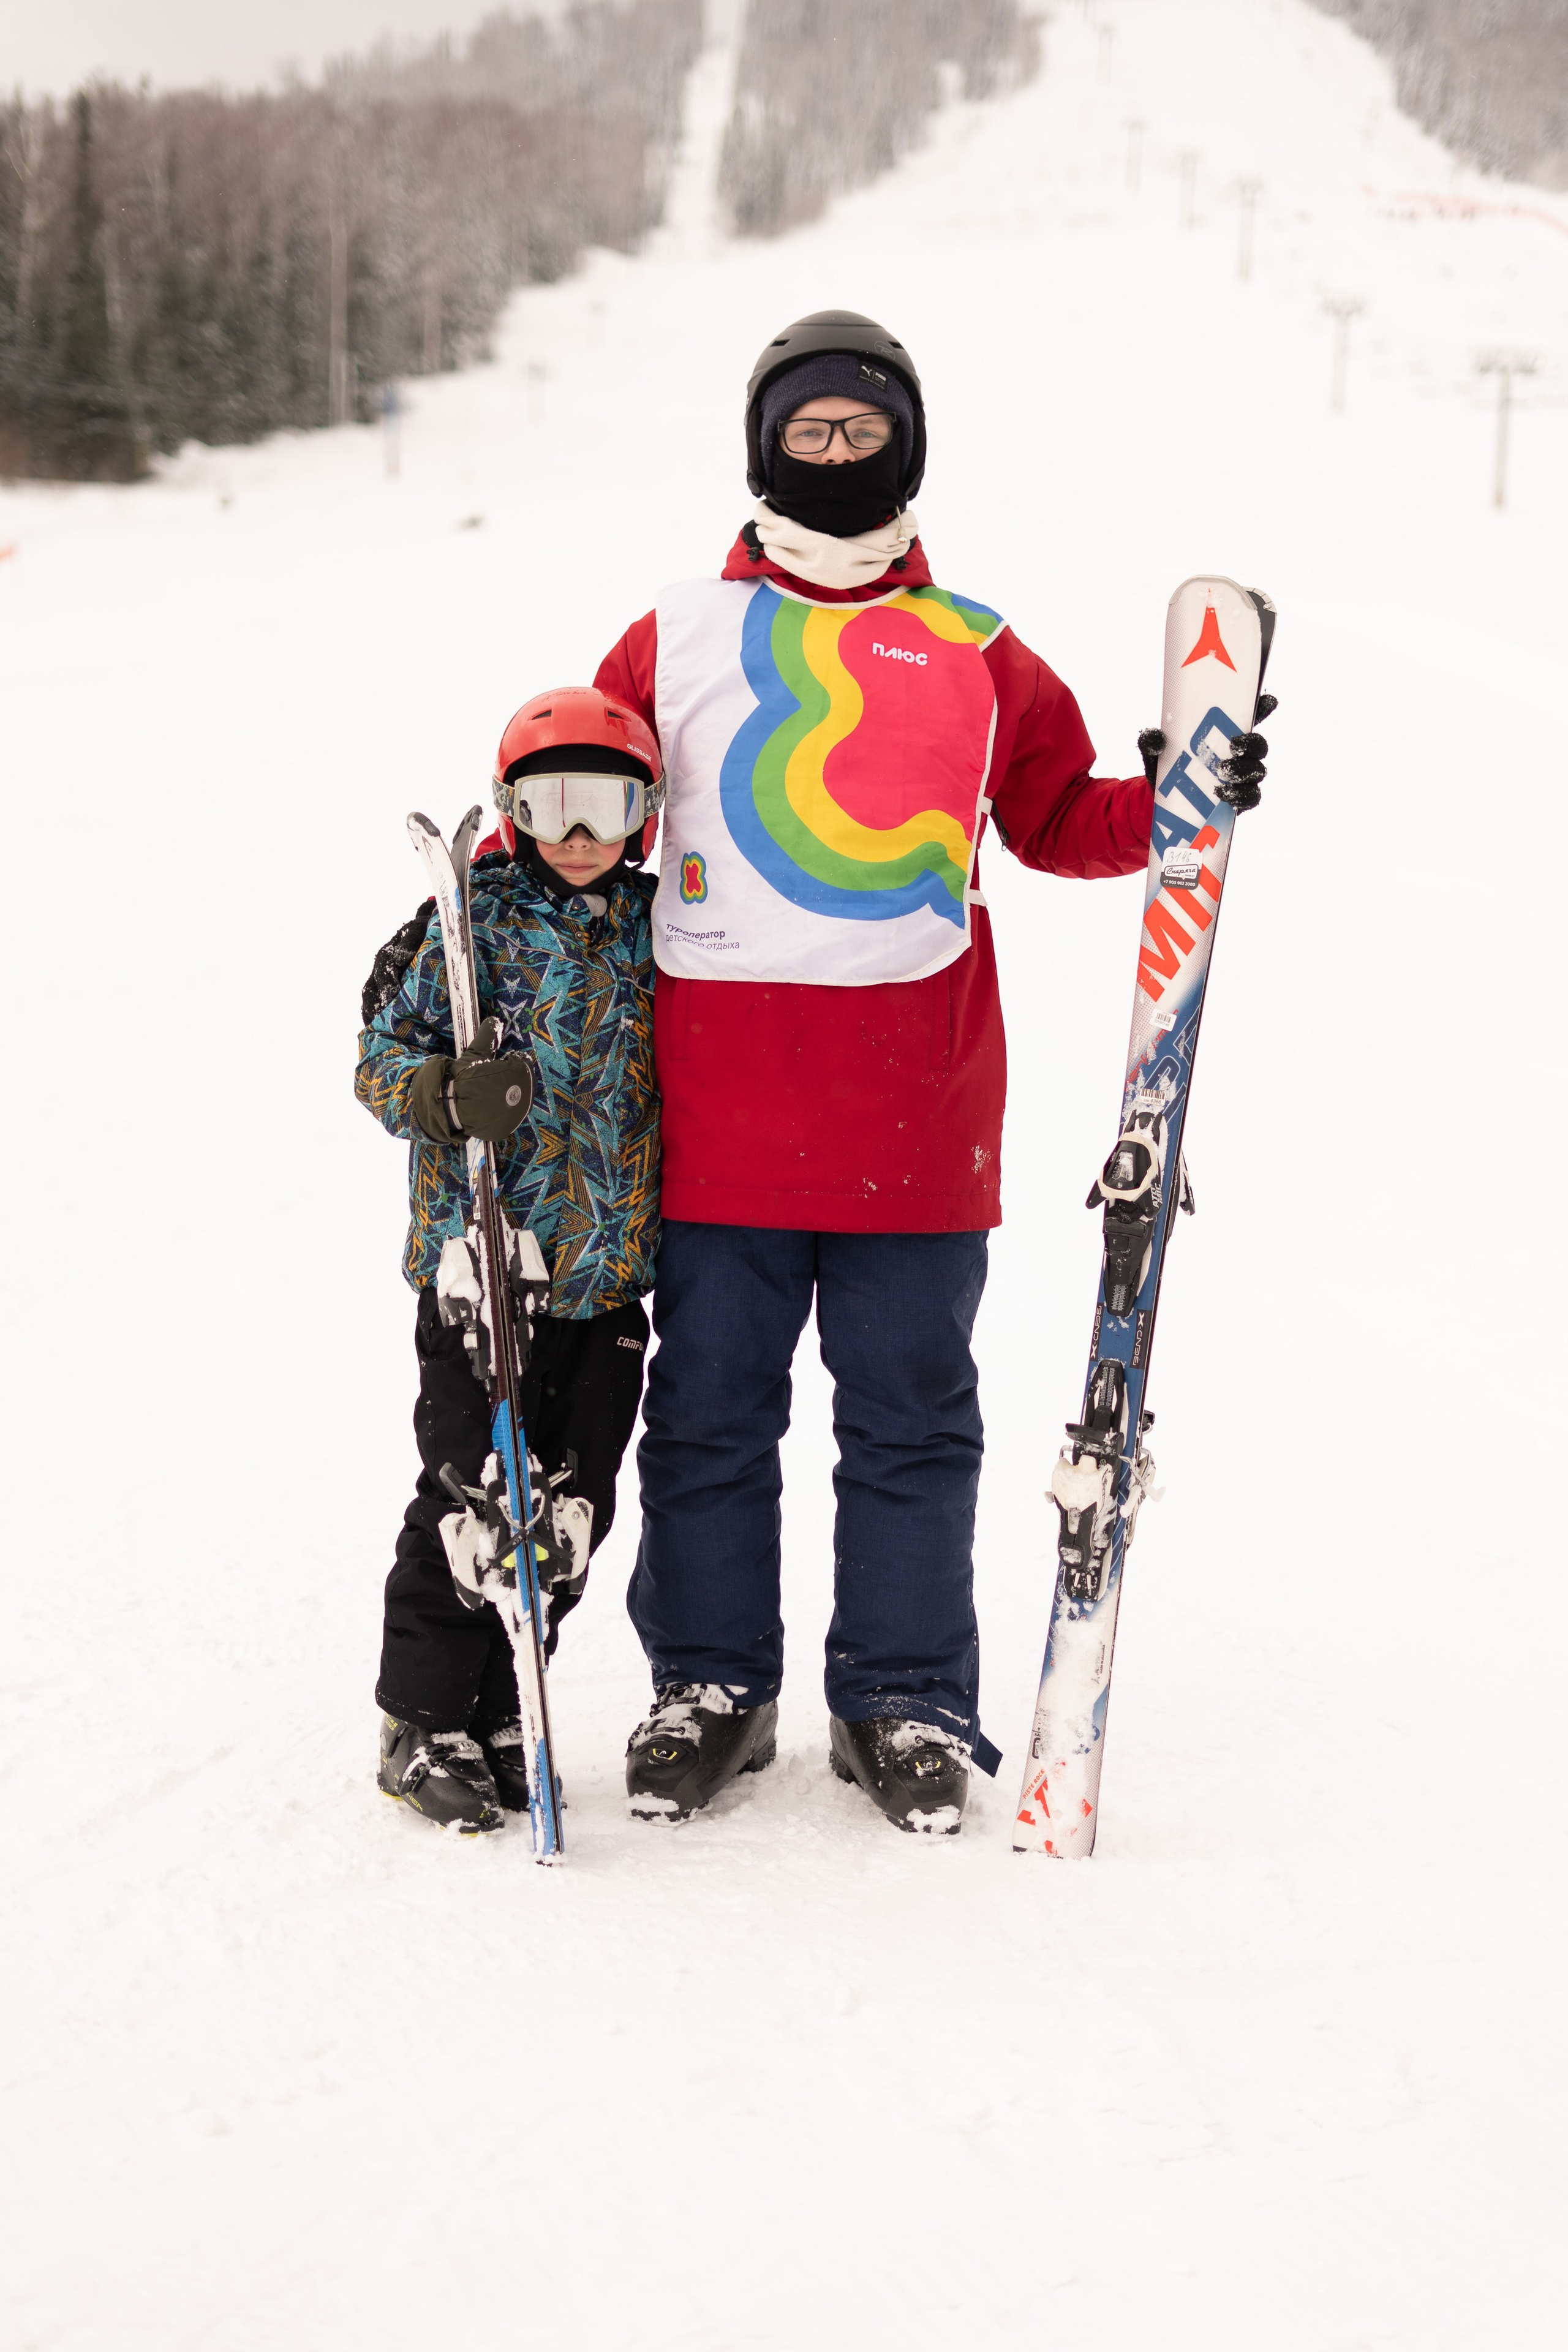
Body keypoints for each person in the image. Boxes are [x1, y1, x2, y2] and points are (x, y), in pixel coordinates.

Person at [597, 309, 1270, 1834]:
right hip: (711, 1119)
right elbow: (588, 810)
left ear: (905, 446)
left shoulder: (977, 647)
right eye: (807, 430)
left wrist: (1179, 792)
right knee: (706, 1419)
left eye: (862, 429)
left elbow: (1058, 820)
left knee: (909, 1422)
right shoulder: (674, 634)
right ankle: (709, 1687)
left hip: (915, 1113)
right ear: (761, 447)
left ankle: (899, 1698)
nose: (835, 454)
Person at [356, 687, 665, 1833]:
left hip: (607, 1275)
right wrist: (443, 1093)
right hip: (485, 1269)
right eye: (550, 805)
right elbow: (379, 1059)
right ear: (512, 811)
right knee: (476, 1495)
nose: (578, 834)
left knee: (573, 1508)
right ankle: (422, 1720)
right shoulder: (464, 925)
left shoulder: (661, 926)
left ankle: (502, 1708)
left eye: (606, 806)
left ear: (644, 814)